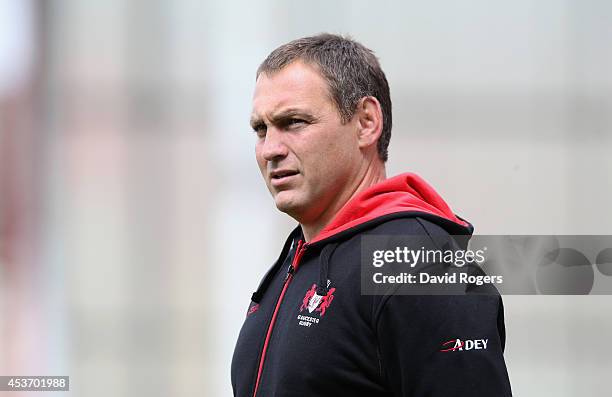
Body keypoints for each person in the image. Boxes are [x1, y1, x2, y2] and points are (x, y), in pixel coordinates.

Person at [231, 33, 512, 397]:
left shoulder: (420, 264)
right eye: (261, 129)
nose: (271, 149)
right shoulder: (296, 260)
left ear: (366, 122)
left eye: (294, 122)